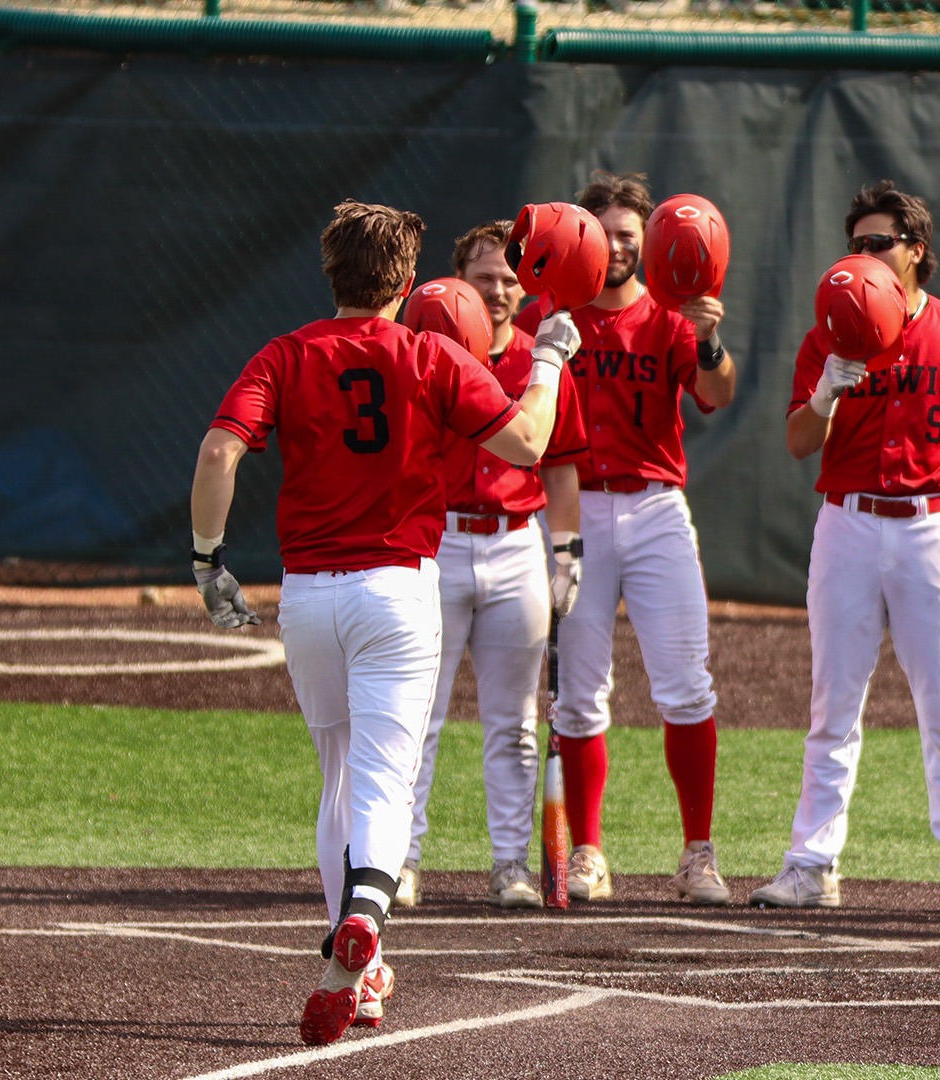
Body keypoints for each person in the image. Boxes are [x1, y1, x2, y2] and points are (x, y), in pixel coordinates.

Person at [190, 201, 577, 1044]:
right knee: (384, 778)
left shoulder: (286, 354)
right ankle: (361, 924)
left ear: (331, 274)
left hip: (309, 597)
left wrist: (206, 561)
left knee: (338, 773)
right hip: (397, 588)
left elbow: (220, 452)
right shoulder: (430, 352)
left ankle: (358, 966)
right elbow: (527, 445)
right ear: (406, 282)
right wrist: (546, 358)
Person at [751, 181, 940, 913]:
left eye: (880, 243)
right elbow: (798, 443)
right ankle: (811, 863)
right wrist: (825, 390)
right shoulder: (829, 332)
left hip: (928, 522)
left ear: (917, 251)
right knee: (835, 699)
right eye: (856, 244)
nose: (865, 255)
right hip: (849, 520)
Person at [515, 171, 738, 905]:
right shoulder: (553, 317)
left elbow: (716, 394)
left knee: (685, 685)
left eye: (627, 235)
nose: (615, 246)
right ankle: (587, 851)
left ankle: (697, 853)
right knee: (578, 696)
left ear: (649, 244)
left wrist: (709, 341)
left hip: (654, 507)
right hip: (574, 512)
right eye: (603, 231)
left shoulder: (673, 318)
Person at [395, 223, 587, 910]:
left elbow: (561, 466)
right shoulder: (422, 356)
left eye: (511, 279)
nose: (501, 291)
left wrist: (565, 552)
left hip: (514, 542)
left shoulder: (544, 358)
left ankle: (511, 866)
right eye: (486, 278)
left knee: (513, 722)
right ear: (458, 286)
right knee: (420, 715)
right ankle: (401, 861)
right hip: (439, 539)